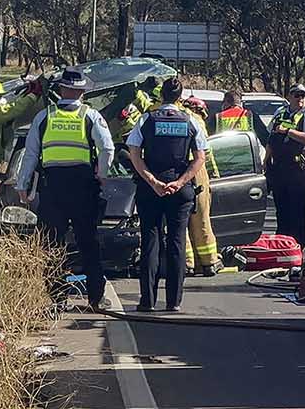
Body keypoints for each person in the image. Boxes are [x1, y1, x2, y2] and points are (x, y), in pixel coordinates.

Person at [15, 68, 115, 311]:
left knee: (52, 244)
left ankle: (57, 299)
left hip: (52, 187)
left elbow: (30, 155)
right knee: (88, 242)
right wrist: (102, 175)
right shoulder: (90, 115)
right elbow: (107, 149)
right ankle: (95, 299)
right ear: (81, 91)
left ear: (60, 90)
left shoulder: (44, 117)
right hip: (82, 186)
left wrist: (22, 185)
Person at [126, 77, 206, 312]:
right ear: (180, 97)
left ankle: (147, 301)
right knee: (177, 242)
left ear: (161, 95)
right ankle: (174, 301)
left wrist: (152, 181)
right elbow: (200, 157)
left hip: (151, 190)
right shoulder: (191, 121)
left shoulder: (146, 119)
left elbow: (134, 153)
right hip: (180, 191)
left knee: (150, 241)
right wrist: (180, 182)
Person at [264, 84, 305, 245]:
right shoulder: (280, 113)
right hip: (279, 169)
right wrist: (266, 160)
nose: (300, 98)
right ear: (289, 96)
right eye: (297, 95)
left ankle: (298, 247)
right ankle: (282, 248)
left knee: (297, 213)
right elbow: (271, 139)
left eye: (303, 95)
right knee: (281, 211)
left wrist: (288, 131)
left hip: (298, 171)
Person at [180, 96, 220, 276]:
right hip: (198, 171)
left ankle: (188, 263)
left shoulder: (177, 118)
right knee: (202, 220)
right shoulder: (196, 122)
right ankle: (210, 262)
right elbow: (207, 153)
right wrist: (215, 174)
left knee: (182, 222)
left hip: (179, 172)